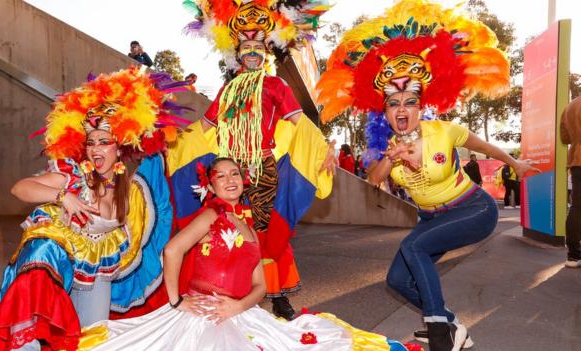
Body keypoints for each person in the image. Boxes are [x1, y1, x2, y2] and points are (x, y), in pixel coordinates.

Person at [316, 1, 539, 350]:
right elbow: (374, 180)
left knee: (414, 246)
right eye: (394, 104)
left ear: (421, 107)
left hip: (472, 210)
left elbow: (486, 147)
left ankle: (438, 332)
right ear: (386, 112)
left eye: (409, 102)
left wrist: (515, 163)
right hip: (430, 217)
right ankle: (451, 325)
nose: (402, 109)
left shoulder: (444, 131)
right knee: (398, 278)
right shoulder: (386, 144)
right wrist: (391, 159)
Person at [77, 157, 411, 351]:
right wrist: (177, 301)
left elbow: (261, 286)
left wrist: (239, 305)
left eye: (234, 173)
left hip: (240, 314)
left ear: (244, 179)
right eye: (220, 176)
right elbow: (172, 249)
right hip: (202, 316)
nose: (229, 179)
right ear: (211, 187)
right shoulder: (211, 215)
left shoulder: (250, 229)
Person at [0, 68, 181, 351]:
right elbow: (20, 188)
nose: (96, 149)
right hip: (57, 264)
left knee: (92, 339)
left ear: (119, 149)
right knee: (32, 328)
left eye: (104, 142)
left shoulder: (128, 191)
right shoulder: (74, 175)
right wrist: (63, 197)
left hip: (96, 270)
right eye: (91, 142)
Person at [170, 0, 336, 321]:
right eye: (245, 45)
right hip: (230, 174)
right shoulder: (227, 89)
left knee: (263, 232)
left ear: (267, 50)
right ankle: (231, 288)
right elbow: (203, 129)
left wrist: (322, 148)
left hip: (262, 171)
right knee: (227, 230)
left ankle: (275, 295)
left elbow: (301, 124)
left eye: (257, 45)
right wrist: (173, 145)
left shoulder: (276, 85)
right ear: (236, 52)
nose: (251, 51)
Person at [561, 96, 581, 268]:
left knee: (576, 207)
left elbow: (564, 137)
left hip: (576, 161)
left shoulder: (570, 106)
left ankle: (573, 256)